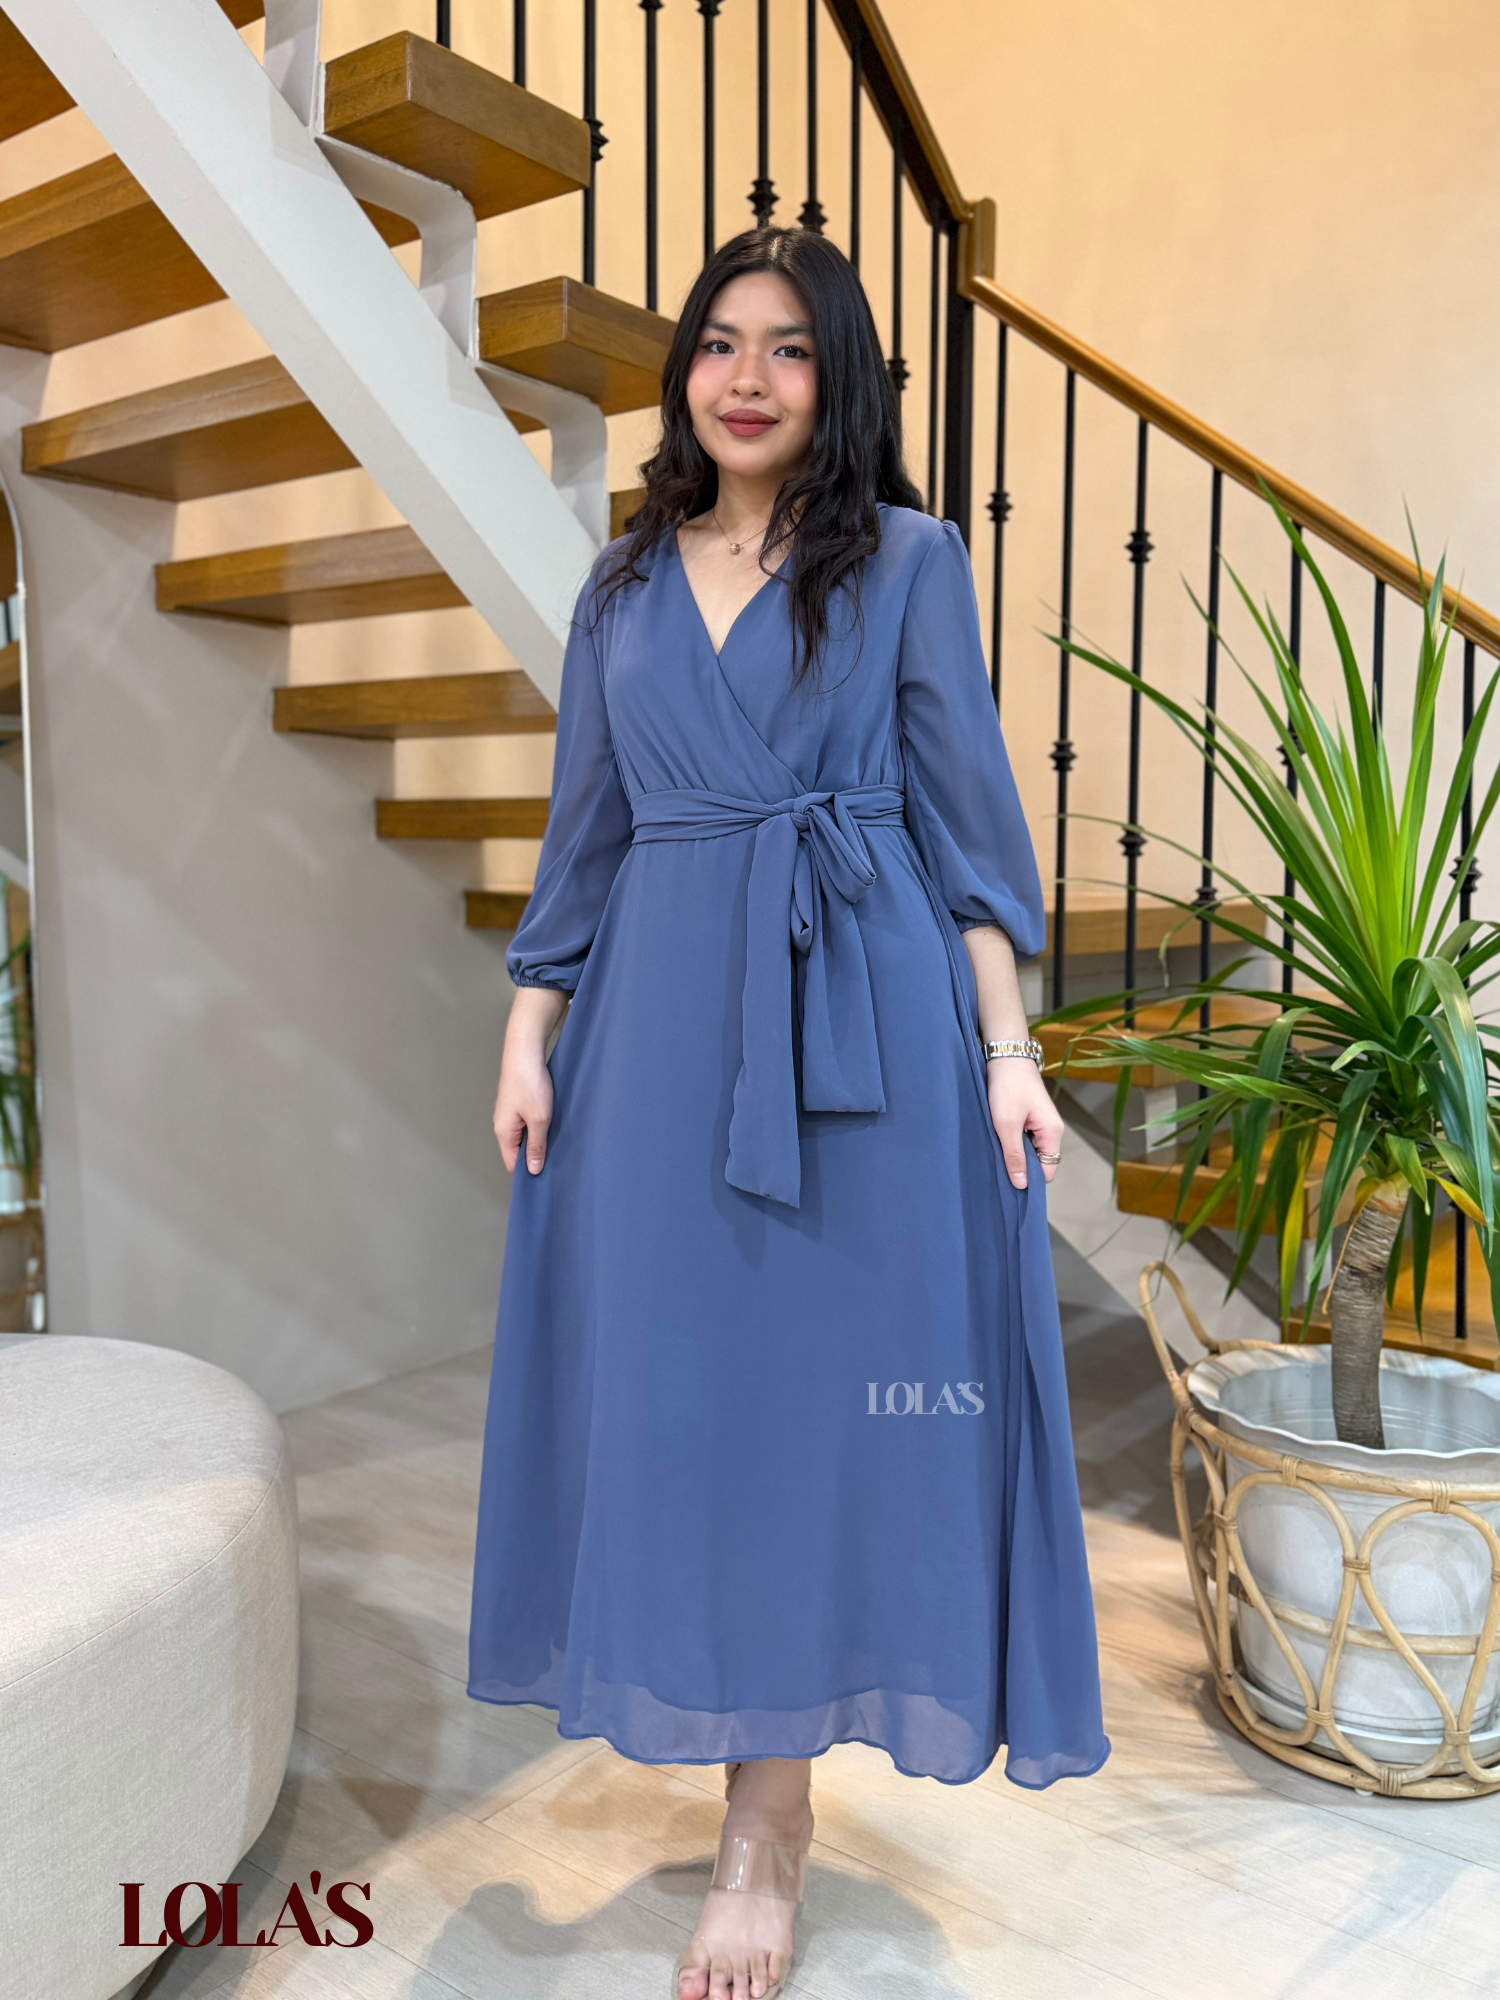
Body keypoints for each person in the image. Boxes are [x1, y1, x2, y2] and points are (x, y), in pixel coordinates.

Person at [468, 225, 1108, 2000]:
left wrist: (1009, 1054)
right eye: (719, 343)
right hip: (660, 1035)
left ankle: (767, 1823)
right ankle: (745, 1760)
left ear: (839, 381)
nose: (746, 378)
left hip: (865, 1029)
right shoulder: (621, 586)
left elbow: (970, 824)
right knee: (684, 1411)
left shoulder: (906, 559)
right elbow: (586, 831)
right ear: (683, 371)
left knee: (832, 1419)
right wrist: (530, 1030)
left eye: (791, 348)